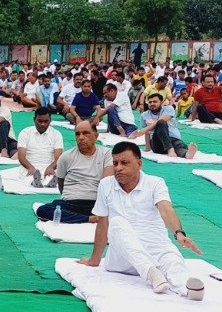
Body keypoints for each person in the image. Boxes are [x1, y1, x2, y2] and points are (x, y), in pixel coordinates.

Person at [78, 142, 206, 300]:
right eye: (115, 163)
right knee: (117, 223)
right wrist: (94, 260)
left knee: (174, 263)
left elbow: (166, 209)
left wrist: (179, 233)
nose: (118, 168)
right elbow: (103, 224)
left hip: (156, 248)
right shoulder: (106, 184)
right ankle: (151, 273)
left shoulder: (155, 183)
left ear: (139, 164)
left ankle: (190, 290)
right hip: (122, 258)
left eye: (124, 163)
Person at [35, 121, 113, 224]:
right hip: (71, 203)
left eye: (86, 133)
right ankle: (88, 219)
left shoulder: (107, 154)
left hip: (96, 203)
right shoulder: (66, 156)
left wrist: (101, 206)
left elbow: (106, 182)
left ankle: (77, 217)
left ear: (96, 135)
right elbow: (61, 183)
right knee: (43, 210)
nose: (81, 137)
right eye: (77, 134)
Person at [130, 93, 197, 159]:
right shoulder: (144, 115)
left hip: (173, 138)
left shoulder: (169, 109)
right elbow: (147, 133)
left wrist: (142, 131)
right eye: (150, 102)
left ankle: (186, 154)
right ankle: (170, 149)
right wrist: (148, 148)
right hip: (157, 143)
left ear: (161, 102)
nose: (152, 104)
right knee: (161, 124)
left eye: (155, 102)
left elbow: (160, 121)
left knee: (178, 145)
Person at [15, 110, 64, 187]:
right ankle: (34, 181)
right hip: (29, 165)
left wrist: (51, 167)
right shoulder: (25, 133)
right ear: (34, 119)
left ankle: (50, 181)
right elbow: (21, 157)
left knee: (51, 176)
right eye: (40, 121)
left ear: (50, 121)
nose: (42, 124)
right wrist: (30, 168)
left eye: (46, 121)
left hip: (49, 166)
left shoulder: (56, 134)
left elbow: (59, 158)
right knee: (29, 177)